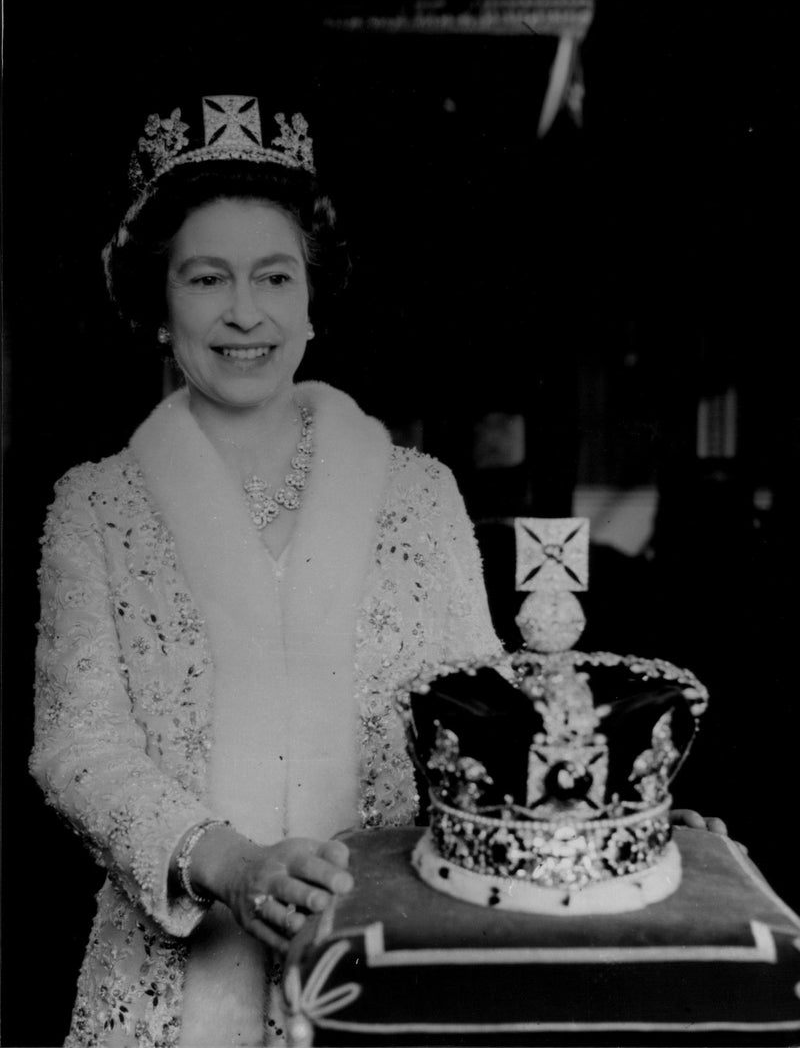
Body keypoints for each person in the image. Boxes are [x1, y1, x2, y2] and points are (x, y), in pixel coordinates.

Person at [30, 93, 729, 1048]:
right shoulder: (96, 506)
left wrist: (583, 812)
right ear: (158, 305)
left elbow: (480, 720)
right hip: (174, 988)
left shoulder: (417, 496)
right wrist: (229, 862)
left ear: (313, 298)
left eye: (276, 276)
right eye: (206, 279)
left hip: (390, 963)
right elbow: (80, 748)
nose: (245, 313)